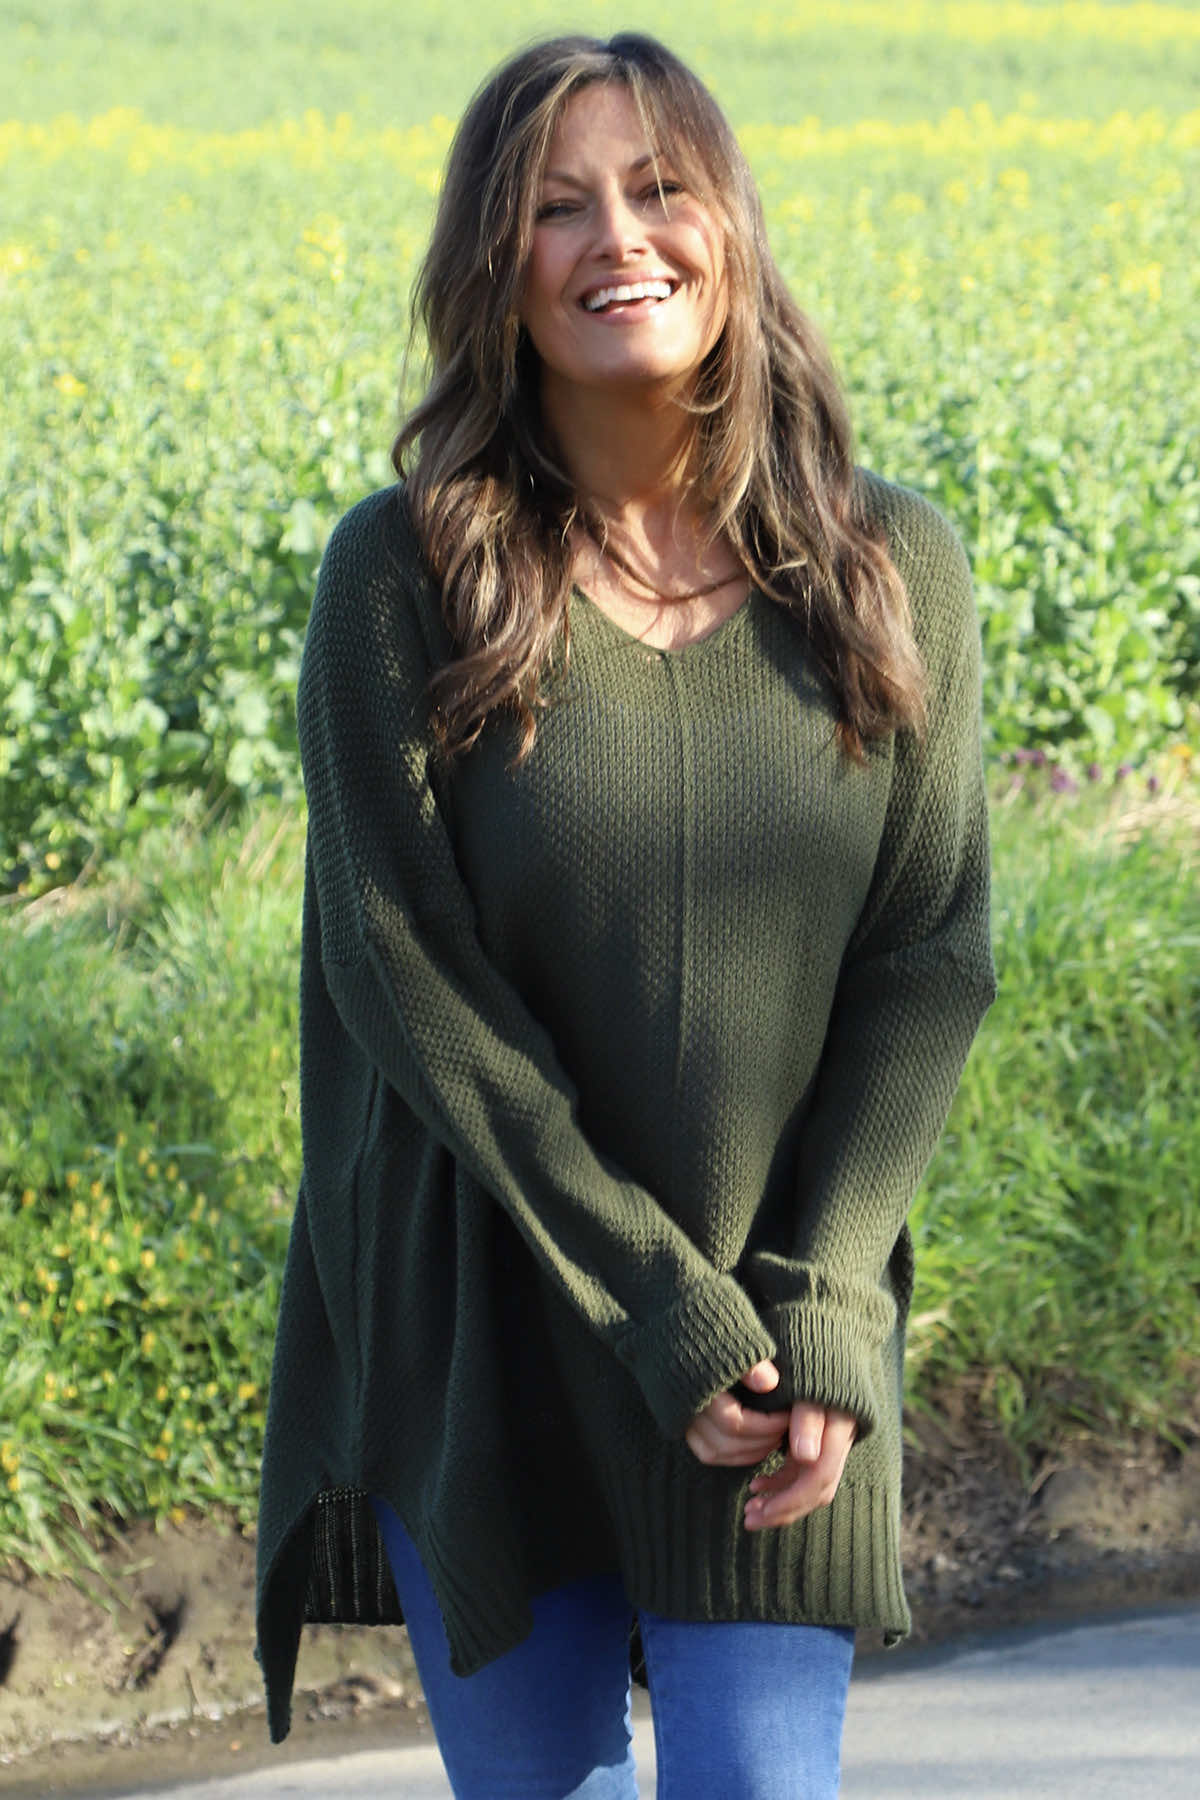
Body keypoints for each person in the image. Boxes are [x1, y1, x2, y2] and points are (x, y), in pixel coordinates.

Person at [255, 31, 995, 1798]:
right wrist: (648, 1299)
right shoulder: (401, 575)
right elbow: (402, 972)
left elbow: (927, 961)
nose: (619, 241)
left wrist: (824, 1303)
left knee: (759, 1778)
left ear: (729, 224)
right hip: (491, 1305)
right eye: (557, 207)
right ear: (495, 268)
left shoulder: (891, 566)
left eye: (660, 190)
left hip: (775, 1309)